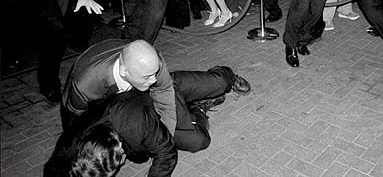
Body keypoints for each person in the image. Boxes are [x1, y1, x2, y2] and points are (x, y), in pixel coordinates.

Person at [61, 39, 251, 154]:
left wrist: (164, 133)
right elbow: (75, 131)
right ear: (124, 71)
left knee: (219, 83)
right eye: (147, 76)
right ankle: (198, 108)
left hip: (163, 91)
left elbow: (164, 89)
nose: (153, 79)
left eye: (154, 73)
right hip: (132, 113)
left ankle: (227, 75)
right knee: (198, 141)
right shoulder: (84, 87)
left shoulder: (150, 62)